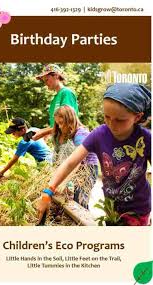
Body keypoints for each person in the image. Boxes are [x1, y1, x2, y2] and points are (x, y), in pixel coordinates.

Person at [37, 84, 151, 226]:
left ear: (137, 116)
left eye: (120, 120)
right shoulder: (99, 134)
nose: (111, 124)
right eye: (106, 116)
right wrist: (49, 190)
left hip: (138, 210)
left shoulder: (145, 138)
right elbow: (70, 163)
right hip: (111, 207)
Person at [53, 105, 98, 208]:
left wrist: (63, 182)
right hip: (82, 168)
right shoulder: (75, 134)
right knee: (76, 197)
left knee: (81, 200)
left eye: (61, 123)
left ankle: (85, 221)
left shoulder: (80, 135)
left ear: (69, 120)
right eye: (57, 124)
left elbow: (78, 161)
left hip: (88, 169)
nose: (59, 127)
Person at [33, 64, 79, 141]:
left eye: (47, 79)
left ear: (56, 76)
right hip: (59, 141)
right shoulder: (54, 99)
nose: (45, 83)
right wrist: (41, 131)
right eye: (44, 81)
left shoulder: (66, 93)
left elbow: (67, 122)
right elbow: (55, 125)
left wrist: (43, 133)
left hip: (69, 140)